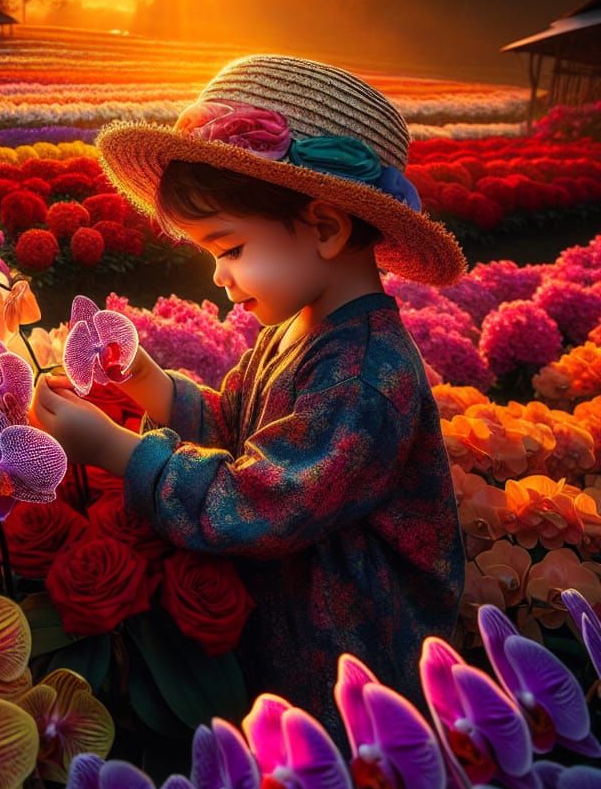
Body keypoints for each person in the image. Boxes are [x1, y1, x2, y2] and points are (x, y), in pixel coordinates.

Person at [30, 53, 467, 748]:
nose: (218, 275)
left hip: (354, 677)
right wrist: (146, 380)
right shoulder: (299, 328)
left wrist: (118, 451)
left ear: (325, 228)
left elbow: (263, 502)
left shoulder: (364, 376)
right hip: (295, 638)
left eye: (229, 248)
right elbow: (237, 425)